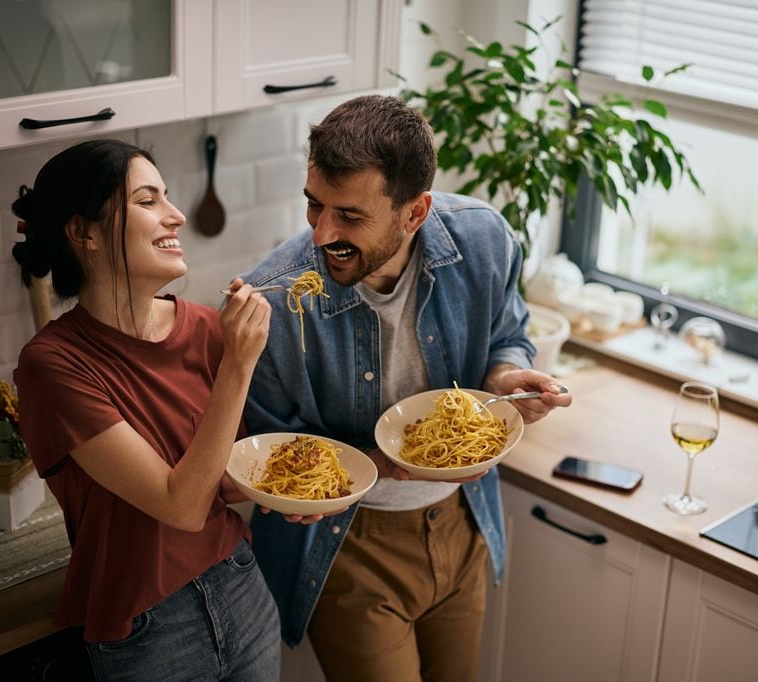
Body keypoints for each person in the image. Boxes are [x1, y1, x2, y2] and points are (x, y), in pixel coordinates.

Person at [240, 95, 572, 682]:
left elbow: (508, 335)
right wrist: (374, 466)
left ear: (415, 212)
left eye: (350, 216)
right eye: (314, 205)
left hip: (462, 521)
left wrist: (505, 378)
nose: (322, 233)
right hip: (350, 545)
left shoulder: (485, 240)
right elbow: (269, 448)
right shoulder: (276, 298)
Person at [12, 139, 283, 681]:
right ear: (84, 233)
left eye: (167, 196)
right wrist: (238, 364)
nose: (175, 215)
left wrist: (285, 490)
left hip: (241, 586)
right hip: (150, 631)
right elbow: (180, 505)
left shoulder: (206, 327)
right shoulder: (54, 364)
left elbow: (220, 478)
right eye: (147, 200)